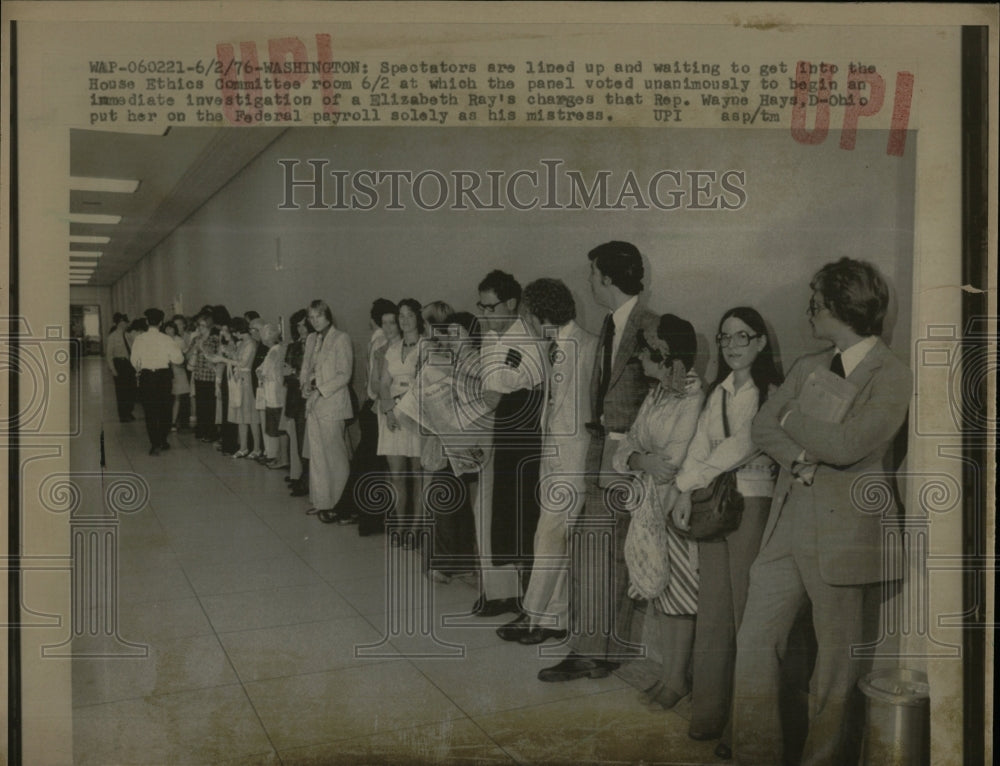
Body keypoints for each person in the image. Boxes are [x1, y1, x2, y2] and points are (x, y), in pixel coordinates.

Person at [733, 258, 912, 766]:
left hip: (846, 532)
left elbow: (848, 444)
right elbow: (763, 429)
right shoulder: (809, 365)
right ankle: (755, 755)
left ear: (840, 306)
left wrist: (792, 417)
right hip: (789, 521)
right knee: (754, 639)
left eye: (815, 303)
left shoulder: (892, 374)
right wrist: (797, 455)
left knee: (833, 667)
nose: (808, 312)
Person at [539, 240, 658, 683]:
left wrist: (636, 453)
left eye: (592, 273)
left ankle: (603, 650)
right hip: (599, 453)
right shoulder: (609, 324)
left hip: (628, 458)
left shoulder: (650, 327)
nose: (588, 280)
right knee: (591, 551)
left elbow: (663, 392)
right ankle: (591, 648)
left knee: (616, 557)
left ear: (608, 277)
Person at [668, 308, 782, 753]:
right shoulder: (718, 391)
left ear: (760, 343)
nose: (732, 345)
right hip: (714, 505)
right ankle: (710, 714)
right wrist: (683, 492)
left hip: (752, 502)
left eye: (742, 336)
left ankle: (742, 725)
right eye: (725, 337)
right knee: (713, 612)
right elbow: (699, 446)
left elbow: (744, 444)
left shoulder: (769, 390)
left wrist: (687, 484)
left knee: (745, 615)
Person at [496, 279, 598, 645]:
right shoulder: (553, 346)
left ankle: (532, 613)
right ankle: (554, 618)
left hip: (573, 457)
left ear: (542, 315)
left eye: (530, 318)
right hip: (551, 453)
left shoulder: (587, 346)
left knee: (549, 536)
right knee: (554, 538)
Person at [614, 314, 702, 709]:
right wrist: (639, 459)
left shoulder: (693, 394)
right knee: (662, 593)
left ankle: (677, 680)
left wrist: (643, 460)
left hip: (677, 507)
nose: (640, 360)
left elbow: (674, 462)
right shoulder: (658, 393)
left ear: (664, 355)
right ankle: (670, 675)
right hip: (650, 504)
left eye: (647, 353)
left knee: (680, 595)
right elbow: (625, 448)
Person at [474, 270, 546, 616]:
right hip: (491, 430)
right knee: (491, 514)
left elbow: (529, 389)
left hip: (520, 437)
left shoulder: (527, 340)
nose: (485, 315)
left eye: (490, 308)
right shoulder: (491, 337)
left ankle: (527, 599)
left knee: (520, 514)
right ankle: (498, 592)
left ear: (511, 303)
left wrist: (498, 396)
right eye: (482, 307)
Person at [330, 298, 395, 530]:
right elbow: (378, 383)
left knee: (366, 463)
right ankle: (361, 513)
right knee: (370, 465)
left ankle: (353, 509)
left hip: (373, 405)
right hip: (376, 406)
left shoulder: (376, 340)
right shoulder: (382, 341)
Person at [378, 299, 427, 546]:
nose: (404, 320)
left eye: (409, 315)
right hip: (394, 416)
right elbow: (383, 382)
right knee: (396, 473)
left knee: (417, 474)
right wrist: (388, 410)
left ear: (418, 317)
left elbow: (427, 384)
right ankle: (400, 524)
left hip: (416, 416)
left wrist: (405, 403)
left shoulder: (426, 346)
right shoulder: (393, 349)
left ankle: (416, 529)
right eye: (401, 316)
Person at [304, 299, 354, 517]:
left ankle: (340, 504)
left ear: (328, 316)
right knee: (317, 454)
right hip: (313, 404)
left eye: (319, 316)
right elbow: (307, 367)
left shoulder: (341, 338)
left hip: (332, 403)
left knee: (335, 455)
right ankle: (322, 500)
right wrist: (305, 385)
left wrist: (320, 389)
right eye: (311, 317)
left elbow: (344, 374)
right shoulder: (311, 339)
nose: (315, 321)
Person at [129, 308, 183, 455]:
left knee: (150, 410)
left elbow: (134, 361)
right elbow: (178, 359)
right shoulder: (167, 339)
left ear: (147, 322)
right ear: (161, 322)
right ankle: (163, 439)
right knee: (165, 409)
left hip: (147, 376)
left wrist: (142, 368)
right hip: (164, 376)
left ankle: (154, 443)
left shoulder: (139, 339)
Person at [224, 317, 261, 459]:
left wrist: (225, 359)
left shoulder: (250, 343)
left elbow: (243, 363)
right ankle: (243, 447)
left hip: (246, 380)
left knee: (251, 416)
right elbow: (236, 358)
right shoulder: (242, 343)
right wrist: (230, 353)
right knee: (241, 415)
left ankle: (257, 448)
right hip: (239, 379)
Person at [283, 309, 311, 495]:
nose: (301, 328)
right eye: (298, 325)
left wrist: (292, 373)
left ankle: (307, 479)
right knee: (298, 440)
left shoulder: (314, 344)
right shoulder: (295, 346)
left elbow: (305, 373)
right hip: (295, 397)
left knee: (306, 442)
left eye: (303, 324)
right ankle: (302, 475)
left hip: (307, 397)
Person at [258, 322, 290, 469]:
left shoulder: (275, 351)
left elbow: (267, 372)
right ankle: (278, 457)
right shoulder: (275, 350)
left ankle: (283, 459)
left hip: (276, 394)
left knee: (280, 429)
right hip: (273, 393)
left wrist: (261, 373)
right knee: (276, 429)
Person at [189, 311, 220, 442]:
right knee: (200, 404)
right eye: (199, 326)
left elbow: (212, 357)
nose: (200, 328)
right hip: (198, 374)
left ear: (208, 326)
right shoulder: (196, 339)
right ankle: (201, 430)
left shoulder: (214, 339)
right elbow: (190, 355)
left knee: (210, 405)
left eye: (202, 326)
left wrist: (201, 345)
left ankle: (210, 432)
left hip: (210, 375)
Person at [106, 313, 136, 422]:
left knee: (131, 389)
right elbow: (109, 355)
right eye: (121, 322)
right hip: (119, 364)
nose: (123, 324)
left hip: (129, 364)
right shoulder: (112, 337)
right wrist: (113, 369)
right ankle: (123, 415)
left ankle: (129, 411)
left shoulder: (129, 335)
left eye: (125, 322)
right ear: (117, 323)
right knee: (121, 391)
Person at [163, 321, 191, 432]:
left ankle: (173, 422)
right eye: (166, 329)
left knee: (177, 397)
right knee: (168, 397)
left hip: (178, 371)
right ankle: (169, 420)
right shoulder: (163, 340)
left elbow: (184, 357)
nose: (168, 331)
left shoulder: (179, 341)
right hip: (166, 371)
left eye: (171, 328)